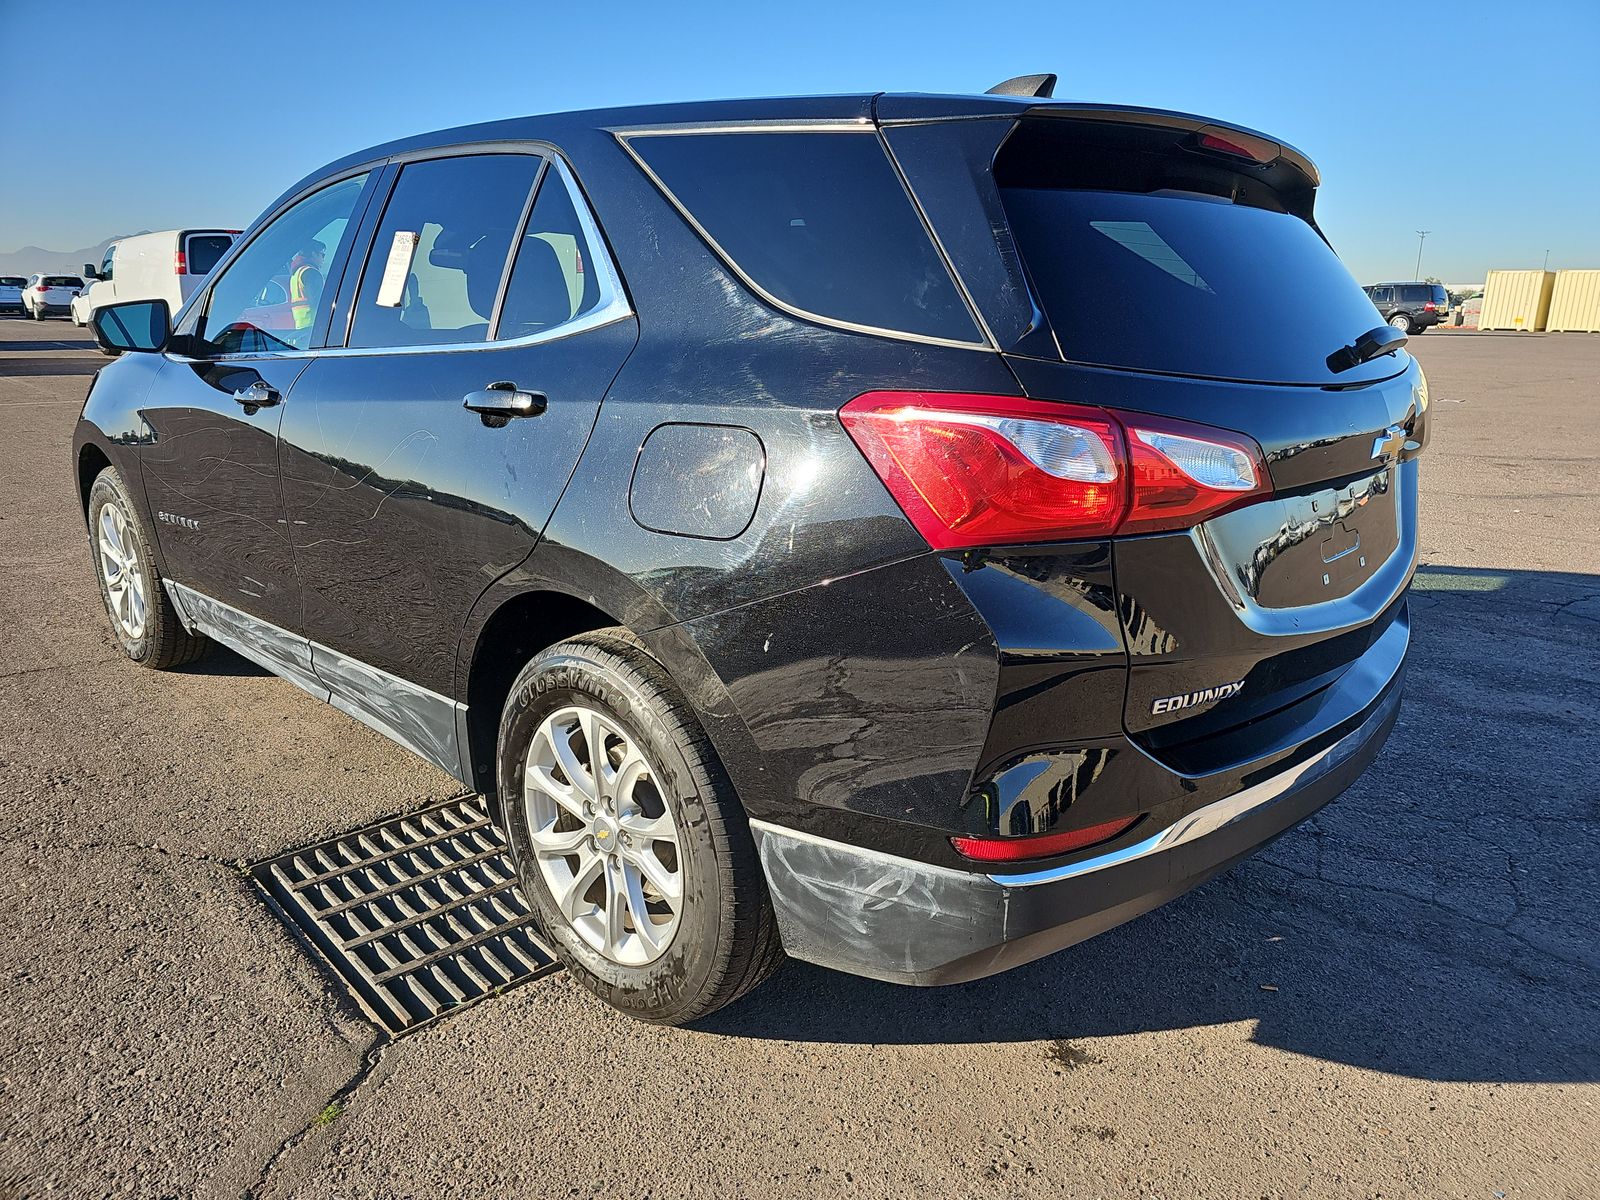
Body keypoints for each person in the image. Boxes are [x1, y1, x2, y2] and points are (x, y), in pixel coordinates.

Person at [287, 240, 327, 331]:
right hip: (314, 325)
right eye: (322, 255)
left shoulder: (296, 273)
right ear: (313, 254)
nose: (323, 259)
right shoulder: (311, 273)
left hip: (301, 325)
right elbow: (318, 302)